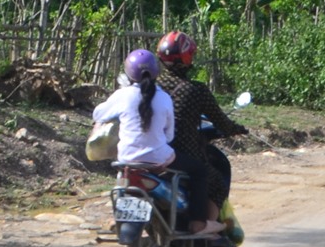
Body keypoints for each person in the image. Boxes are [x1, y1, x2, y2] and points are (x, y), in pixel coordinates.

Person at [92, 48, 222, 235]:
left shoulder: (123, 95)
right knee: (199, 171)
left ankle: (119, 217)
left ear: (129, 72)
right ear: (156, 71)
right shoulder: (164, 98)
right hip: (159, 158)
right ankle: (198, 223)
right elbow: (169, 136)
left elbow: (98, 114)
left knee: (123, 179)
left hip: (126, 159)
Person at [154, 30, 247, 225]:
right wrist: (237, 128)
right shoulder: (196, 90)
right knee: (215, 183)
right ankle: (202, 228)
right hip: (182, 153)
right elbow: (221, 122)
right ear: (187, 58)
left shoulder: (150, 87)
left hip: (151, 151)